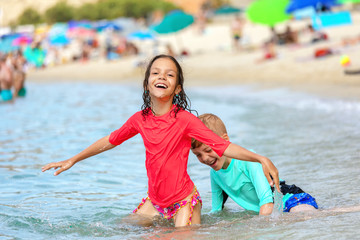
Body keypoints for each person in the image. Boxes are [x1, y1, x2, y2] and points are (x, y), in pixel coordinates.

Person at [41, 54, 280, 227]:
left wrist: (260, 158)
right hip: (155, 202)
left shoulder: (185, 120)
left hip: (184, 201)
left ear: (177, 88)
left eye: (169, 74)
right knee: (121, 229)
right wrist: (73, 159)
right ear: (147, 84)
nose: (161, 76)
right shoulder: (139, 120)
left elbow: (222, 145)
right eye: (155, 72)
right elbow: (110, 140)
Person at [191, 113, 318, 215]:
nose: (205, 158)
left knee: (304, 215)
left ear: (225, 140)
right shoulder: (215, 174)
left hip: (291, 200)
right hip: (272, 210)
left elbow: (267, 201)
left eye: (208, 150)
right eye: (198, 155)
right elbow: (216, 211)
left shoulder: (247, 161)